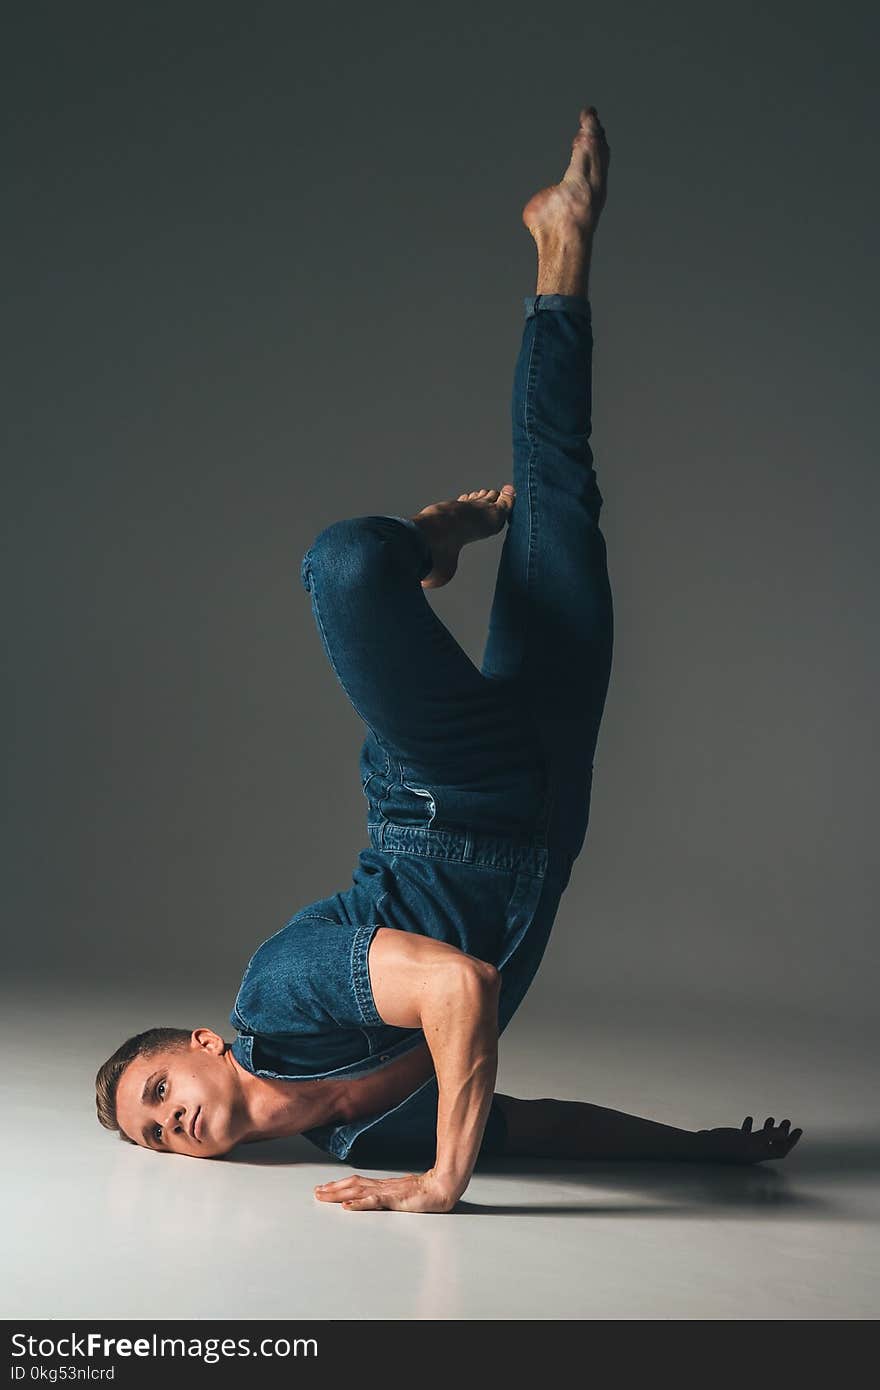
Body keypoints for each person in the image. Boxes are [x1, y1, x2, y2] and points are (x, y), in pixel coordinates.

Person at [95, 107, 802, 1213]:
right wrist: (699, 1151)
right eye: (154, 1135)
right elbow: (535, 1124)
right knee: (561, 491)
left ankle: (427, 541)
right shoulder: (367, 1137)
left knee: (344, 569)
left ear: (195, 1043)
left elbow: (460, 984)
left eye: (155, 1088)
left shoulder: (275, 1002)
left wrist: (444, 1183)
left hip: (448, 790)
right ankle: (561, 249)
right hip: (546, 804)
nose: (169, 1120)